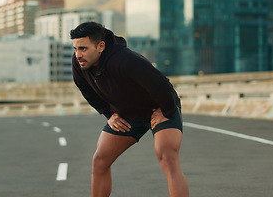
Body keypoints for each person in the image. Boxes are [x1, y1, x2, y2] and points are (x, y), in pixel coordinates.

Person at [70, 22, 189, 197]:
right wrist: (109, 114)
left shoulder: (125, 60)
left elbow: (161, 85)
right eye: (75, 49)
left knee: (167, 155)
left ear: (100, 46)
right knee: (100, 160)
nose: (78, 54)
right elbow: (85, 89)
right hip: (127, 115)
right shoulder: (80, 63)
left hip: (159, 107)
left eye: (83, 48)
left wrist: (167, 110)